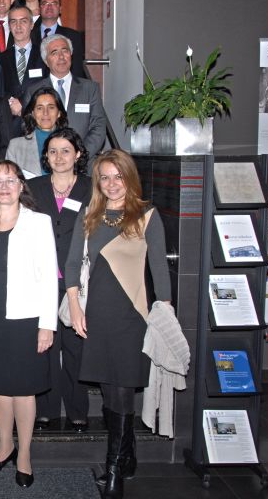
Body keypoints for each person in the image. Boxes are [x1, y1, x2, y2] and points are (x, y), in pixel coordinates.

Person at [64, 149, 172, 499]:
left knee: (122, 389)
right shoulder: (89, 214)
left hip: (131, 316)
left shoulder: (146, 215)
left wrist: (166, 311)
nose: (111, 184)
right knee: (110, 390)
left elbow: (159, 267)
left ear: (129, 178)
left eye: (118, 176)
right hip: (96, 315)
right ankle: (127, 454)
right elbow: (71, 265)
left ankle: (113, 471)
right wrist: (75, 308)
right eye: (105, 177)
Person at [0, 160, 58, 488]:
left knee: (23, 388)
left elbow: (48, 275)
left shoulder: (39, 222)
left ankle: (24, 455)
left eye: (11, 180)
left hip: (26, 318)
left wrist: (47, 324)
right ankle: (5, 446)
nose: (4, 187)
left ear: (21, 186)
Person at [27, 128, 92, 432]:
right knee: (46, 348)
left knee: (77, 348)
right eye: (53, 151)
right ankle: (47, 410)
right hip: (42, 281)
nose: (59, 157)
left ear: (77, 154)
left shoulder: (91, 188)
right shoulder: (34, 188)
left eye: (66, 150)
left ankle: (78, 409)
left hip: (78, 280)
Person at [18, 35, 106, 159]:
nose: (61, 57)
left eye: (65, 51)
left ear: (71, 55)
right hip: (45, 162)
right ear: (46, 61)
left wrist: (79, 156)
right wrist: (48, 157)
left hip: (83, 162)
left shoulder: (90, 88)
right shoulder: (33, 91)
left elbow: (98, 127)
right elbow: (29, 128)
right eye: (54, 52)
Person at [6, 86, 68, 178]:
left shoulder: (70, 144)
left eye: (51, 107)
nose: (45, 113)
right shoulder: (15, 146)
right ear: (33, 113)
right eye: (39, 108)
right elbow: (10, 181)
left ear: (59, 113)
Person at [0, 6, 48, 99]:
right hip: (9, 107)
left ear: (32, 25)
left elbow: (48, 86)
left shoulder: (44, 55)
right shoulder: (0, 59)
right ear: (9, 26)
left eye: (23, 21)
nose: (18, 26)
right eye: (13, 21)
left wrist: (22, 102)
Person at [31, 0, 85, 78]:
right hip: (34, 83)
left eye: (54, 3)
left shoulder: (73, 36)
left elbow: (77, 68)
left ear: (60, 9)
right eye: (45, 3)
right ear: (39, 9)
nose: (49, 7)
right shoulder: (29, 35)